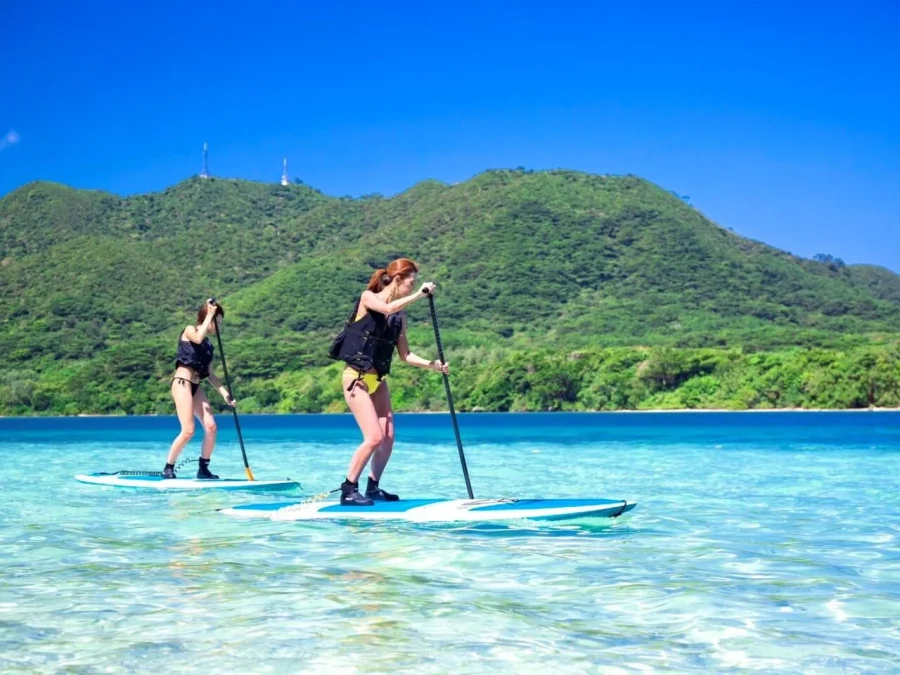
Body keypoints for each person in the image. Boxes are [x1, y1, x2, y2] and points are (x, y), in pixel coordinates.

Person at [330, 258, 449, 505]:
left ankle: (373, 486)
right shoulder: (368, 298)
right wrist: (419, 295)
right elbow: (386, 309)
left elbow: (405, 355)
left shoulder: (399, 317)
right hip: (357, 379)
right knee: (373, 437)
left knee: (388, 435)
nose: (412, 287)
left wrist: (433, 364)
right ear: (397, 280)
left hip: (378, 381)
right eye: (411, 283)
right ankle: (348, 489)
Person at [164, 299, 236, 479]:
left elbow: (210, 374)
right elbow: (197, 338)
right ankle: (168, 467)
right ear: (207, 317)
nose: (218, 327)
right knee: (188, 430)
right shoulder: (190, 330)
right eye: (216, 323)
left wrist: (225, 394)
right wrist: (210, 314)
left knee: (211, 427)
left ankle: (203, 469)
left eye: (220, 324)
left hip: (196, 385)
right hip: (182, 382)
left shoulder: (209, 347)